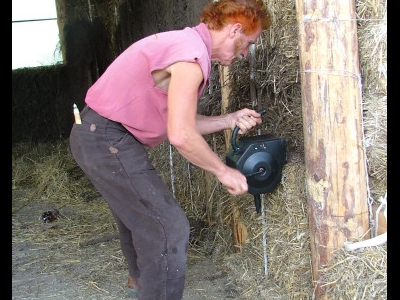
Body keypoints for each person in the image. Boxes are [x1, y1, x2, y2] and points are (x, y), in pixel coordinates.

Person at [69, 0, 272, 299]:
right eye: (247, 44)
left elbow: (178, 121)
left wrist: (229, 120)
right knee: (168, 228)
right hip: (106, 138)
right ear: (235, 30)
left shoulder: (184, 45)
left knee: (140, 220)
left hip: (95, 134)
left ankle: (139, 286)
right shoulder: (191, 58)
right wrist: (222, 170)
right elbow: (180, 134)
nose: (244, 54)